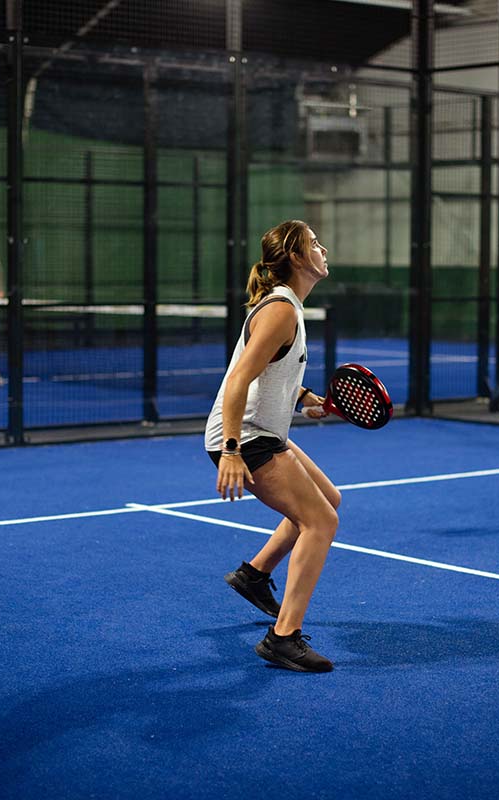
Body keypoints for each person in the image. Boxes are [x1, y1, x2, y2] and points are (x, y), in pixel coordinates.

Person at [205, 219, 338, 673]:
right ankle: (283, 639)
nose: (323, 249)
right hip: (248, 436)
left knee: (328, 500)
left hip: (265, 431)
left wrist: (305, 399)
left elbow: (272, 368)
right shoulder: (281, 308)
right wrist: (231, 450)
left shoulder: (288, 308)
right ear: (298, 258)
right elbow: (240, 377)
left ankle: (254, 575)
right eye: (314, 244)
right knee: (321, 521)